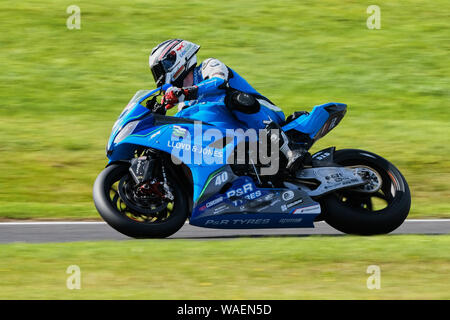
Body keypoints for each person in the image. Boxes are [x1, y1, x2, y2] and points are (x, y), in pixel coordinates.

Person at [148, 39, 305, 171]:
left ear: (175, 59)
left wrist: (188, 92)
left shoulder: (207, 66)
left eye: (160, 70)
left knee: (234, 99)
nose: (160, 77)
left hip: (263, 111)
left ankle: (290, 149)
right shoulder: (184, 104)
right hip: (238, 134)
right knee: (180, 128)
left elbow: (218, 82)